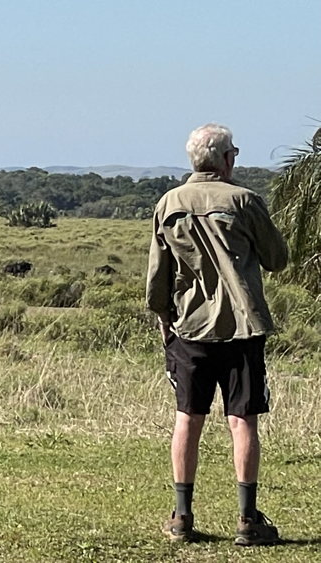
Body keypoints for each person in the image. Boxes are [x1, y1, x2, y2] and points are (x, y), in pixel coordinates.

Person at [146, 123, 288, 546]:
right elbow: (277, 258)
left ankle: (181, 515)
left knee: (187, 417)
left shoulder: (169, 203)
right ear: (227, 159)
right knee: (242, 420)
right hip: (242, 328)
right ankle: (247, 519)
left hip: (189, 327)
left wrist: (165, 317)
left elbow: (157, 278)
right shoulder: (244, 200)